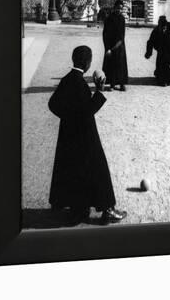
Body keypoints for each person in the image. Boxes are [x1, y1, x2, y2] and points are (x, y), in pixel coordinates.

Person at [48, 45, 127, 225]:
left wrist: (68, 118)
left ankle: (79, 208)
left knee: (74, 170)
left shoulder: (67, 79)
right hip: (85, 136)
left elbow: (53, 104)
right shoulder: (81, 84)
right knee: (98, 169)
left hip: (69, 136)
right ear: (87, 63)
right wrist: (99, 91)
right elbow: (87, 111)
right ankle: (108, 210)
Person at [102, 0, 128, 91]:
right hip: (110, 46)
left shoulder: (122, 19)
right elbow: (105, 34)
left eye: (121, 8)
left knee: (120, 65)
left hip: (120, 46)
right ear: (114, 8)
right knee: (111, 66)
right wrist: (107, 48)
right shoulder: (109, 19)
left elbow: (122, 35)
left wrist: (117, 46)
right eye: (117, 8)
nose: (119, 10)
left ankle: (121, 83)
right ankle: (112, 84)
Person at [145, 17, 170, 86]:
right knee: (161, 63)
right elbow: (150, 42)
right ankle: (162, 80)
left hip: (167, 52)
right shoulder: (155, 31)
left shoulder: (168, 33)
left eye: (165, 27)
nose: (164, 29)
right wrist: (148, 53)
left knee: (166, 63)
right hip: (160, 51)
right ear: (159, 25)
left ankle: (160, 74)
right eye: (162, 27)